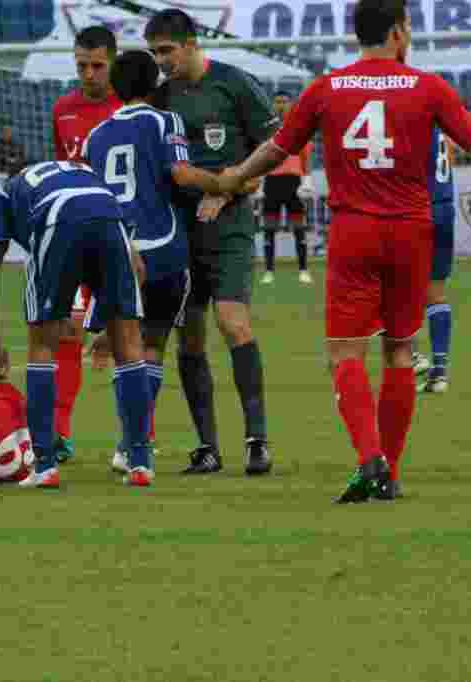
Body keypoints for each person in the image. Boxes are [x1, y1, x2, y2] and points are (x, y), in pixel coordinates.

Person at [219, 0, 471, 502]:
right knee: (401, 350)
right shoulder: (427, 87)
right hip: (411, 232)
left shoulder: (326, 88)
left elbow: (276, 149)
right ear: (397, 32)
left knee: (345, 351)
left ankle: (370, 460)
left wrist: (234, 177)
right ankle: (393, 469)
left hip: (354, 234)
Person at [145, 9, 277, 475]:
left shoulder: (234, 83)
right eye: (155, 52)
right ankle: (207, 447)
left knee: (233, 321)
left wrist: (230, 190)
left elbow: (273, 151)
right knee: (190, 335)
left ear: (192, 43)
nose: (162, 60)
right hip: (180, 228)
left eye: (168, 50)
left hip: (231, 225)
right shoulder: (160, 98)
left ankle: (256, 439)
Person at [82, 50, 226, 474]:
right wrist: (222, 181)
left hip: (113, 248)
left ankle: (127, 445)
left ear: (115, 88)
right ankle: (133, 443)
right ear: (156, 86)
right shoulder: (166, 121)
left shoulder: (96, 135)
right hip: (161, 245)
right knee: (152, 347)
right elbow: (181, 175)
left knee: (126, 348)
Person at [0, 161, 152, 488]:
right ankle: (140, 462)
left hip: (57, 217)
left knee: (42, 342)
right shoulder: (86, 174)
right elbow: (138, 268)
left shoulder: (8, 192)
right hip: (108, 215)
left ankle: (44, 466)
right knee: (129, 344)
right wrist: (105, 328)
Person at [48, 25, 123, 463]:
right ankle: (59, 434)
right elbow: (59, 165)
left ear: (111, 63)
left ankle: (133, 438)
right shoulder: (63, 108)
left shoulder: (131, 108)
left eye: (97, 65)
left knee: (124, 337)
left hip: (119, 235)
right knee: (68, 331)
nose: (89, 74)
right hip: (73, 235)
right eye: (81, 65)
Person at [411, 131, 456, 395]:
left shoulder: (412, 114)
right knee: (436, 291)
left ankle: (413, 355)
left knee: (386, 285)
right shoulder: (443, 125)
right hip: (444, 208)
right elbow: (452, 154)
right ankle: (439, 374)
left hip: (415, 209)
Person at [258, 90, 315, 286]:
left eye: (284, 101)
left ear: (291, 104)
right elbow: (260, 154)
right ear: (273, 105)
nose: (281, 105)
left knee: (299, 228)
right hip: (272, 181)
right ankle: (269, 270)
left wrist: (307, 180)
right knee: (269, 229)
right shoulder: (267, 128)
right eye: (277, 102)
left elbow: (305, 154)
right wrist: (258, 178)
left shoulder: (299, 125)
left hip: (294, 181)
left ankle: (303, 269)